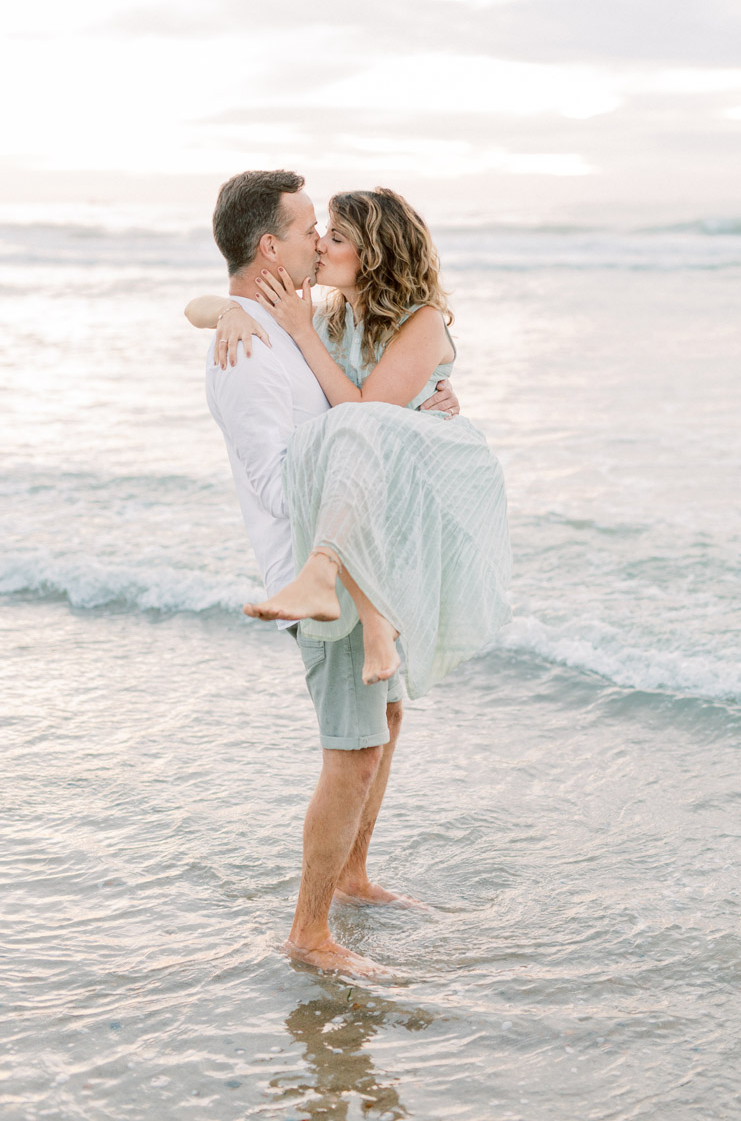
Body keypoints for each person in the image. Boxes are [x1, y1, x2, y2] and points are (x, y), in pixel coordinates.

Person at [189, 170, 463, 978]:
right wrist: (371, 429)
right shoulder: (250, 348)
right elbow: (282, 482)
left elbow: (364, 404)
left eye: (330, 231)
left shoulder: (275, 323)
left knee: (386, 724)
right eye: (312, 228)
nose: (320, 240)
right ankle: (309, 933)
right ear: (272, 246)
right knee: (352, 750)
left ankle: (352, 878)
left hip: (364, 555)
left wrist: (416, 415)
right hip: (321, 572)